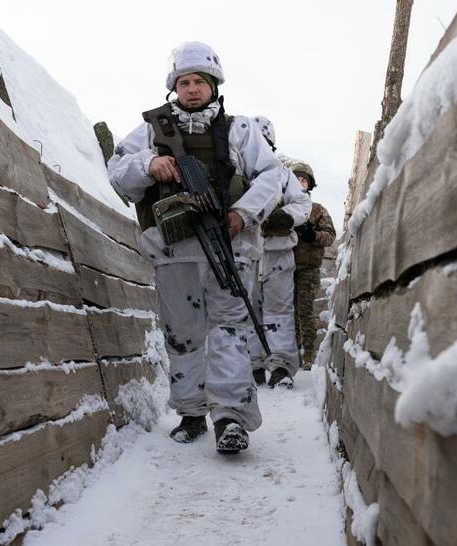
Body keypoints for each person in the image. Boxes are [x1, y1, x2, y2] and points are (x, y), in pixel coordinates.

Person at [108, 42, 286, 453]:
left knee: (228, 331)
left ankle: (230, 419)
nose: (191, 89)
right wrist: (148, 165)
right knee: (182, 335)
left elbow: (272, 176)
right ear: (174, 87)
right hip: (174, 251)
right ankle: (191, 413)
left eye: (199, 82)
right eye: (184, 82)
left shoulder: (241, 130)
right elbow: (117, 172)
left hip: (230, 246)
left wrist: (242, 214)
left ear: (213, 86)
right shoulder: (151, 131)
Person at [249, 116, 311, 388]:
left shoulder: (282, 174)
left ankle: (282, 366)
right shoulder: (235, 170)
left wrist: (286, 217)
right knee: (246, 309)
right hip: (246, 251)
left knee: (278, 311)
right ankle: (253, 365)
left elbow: (302, 203)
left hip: (277, 251)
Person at [291, 162, 336, 369]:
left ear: (309, 185)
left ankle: (308, 355)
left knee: (305, 311)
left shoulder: (317, 210)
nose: (300, 183)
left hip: (307, 268)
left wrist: (312, 235)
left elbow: (329, 237)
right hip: (284, 267)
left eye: (304, 180)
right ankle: (291, 355)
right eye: (296, 179)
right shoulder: (285, 206)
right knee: (286, 313)